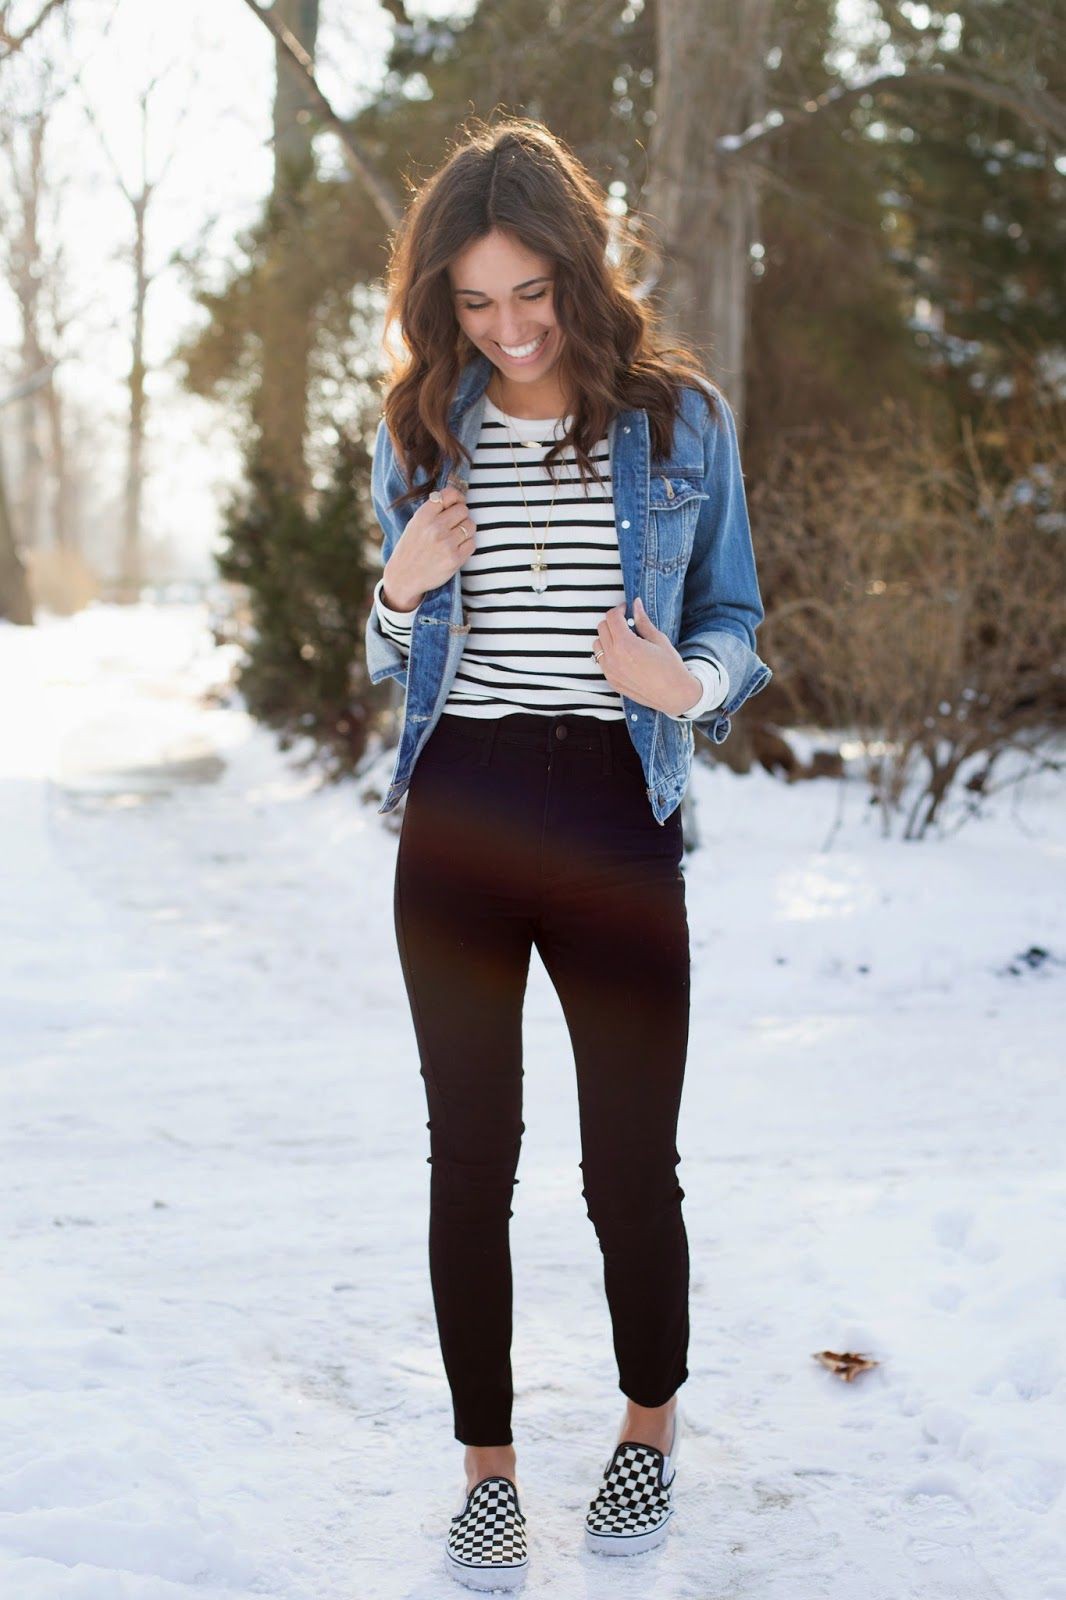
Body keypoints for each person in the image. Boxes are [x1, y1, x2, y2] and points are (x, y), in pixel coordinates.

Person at [363, 117, 772, 1591]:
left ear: (578, 272)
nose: (509, 327)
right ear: (439, 305)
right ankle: (485, 1468)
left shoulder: (675, 424)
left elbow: (733, 622)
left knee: (626, 1167)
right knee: (469, 1163)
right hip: (461, 814)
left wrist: (690, 688)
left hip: (611, 807)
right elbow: (387, 641)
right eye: (474, 301)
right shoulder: (417, 423)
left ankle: (646, 1426)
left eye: (530, 291)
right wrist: (398, 587)